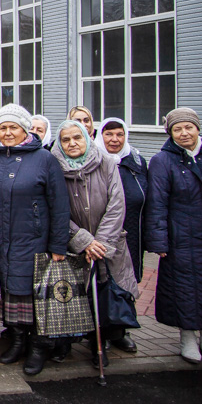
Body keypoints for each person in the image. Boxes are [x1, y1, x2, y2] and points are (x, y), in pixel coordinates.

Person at [0, 104, 70, 376]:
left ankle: (38, 347)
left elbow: (60, 205)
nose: (8, 133)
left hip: (32, 239)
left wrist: (58, 245)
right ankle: (17, 340)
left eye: (13, 128)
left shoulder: (44, 159)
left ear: (25, 130)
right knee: (10, 292)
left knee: (34, 296)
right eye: (2, 128)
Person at [54, 118, 140, 369]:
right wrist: (84, 241)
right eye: (66, 139)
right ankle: (76, 339)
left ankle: (104, 341)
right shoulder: (55, 167)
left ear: (87, 137)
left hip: (108, 245)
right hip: (76, 247)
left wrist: (100, 242)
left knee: (108, 294)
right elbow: (57, 210)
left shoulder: (106, 163)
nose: (72, 143)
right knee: (79, 297)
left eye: (77, 137)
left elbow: (117, 204)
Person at [145, 108, 202, 364]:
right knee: (185, 289)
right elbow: (157, 203)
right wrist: (159, 240)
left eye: (188, 127)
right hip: (180, 236)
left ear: (197, 128)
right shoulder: (163, 160)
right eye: (177, 129)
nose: (184, 133)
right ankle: (188, 338)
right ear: (170, 133)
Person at [95, 116, 148, 355]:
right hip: (103, 232)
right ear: (100, 136)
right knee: (103, 282)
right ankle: (101, 332)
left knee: (126, 281)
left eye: (119, 134)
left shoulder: (135, 161)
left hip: (132, 232)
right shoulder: (95, 161)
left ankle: (121, 330)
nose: (114, 139)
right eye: (109, 134)